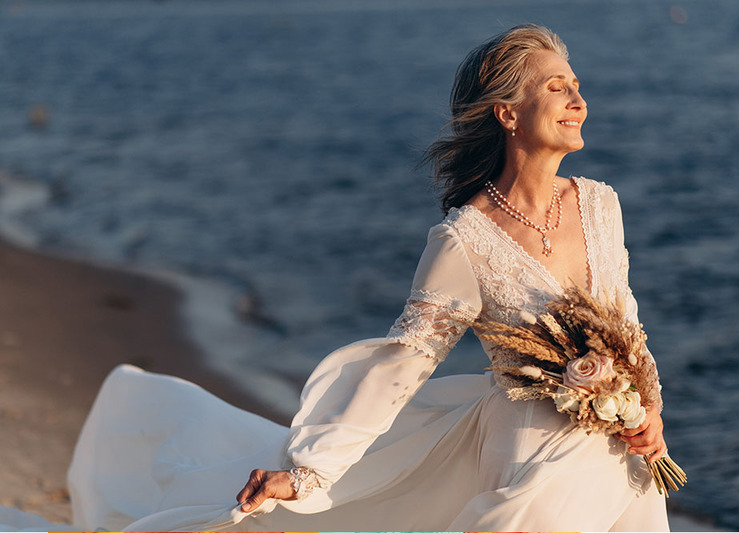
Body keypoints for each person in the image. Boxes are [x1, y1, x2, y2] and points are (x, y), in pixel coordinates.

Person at [0, 23, 669, 532]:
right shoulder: (465, 241)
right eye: (556, 86)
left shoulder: (599, 203)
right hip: (530, 462)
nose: (578, 98)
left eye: (576, 84)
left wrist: (650, 415)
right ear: (506, 111)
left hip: (620, 455)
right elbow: (402, 363)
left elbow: (626, 324)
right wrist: (310, 471)